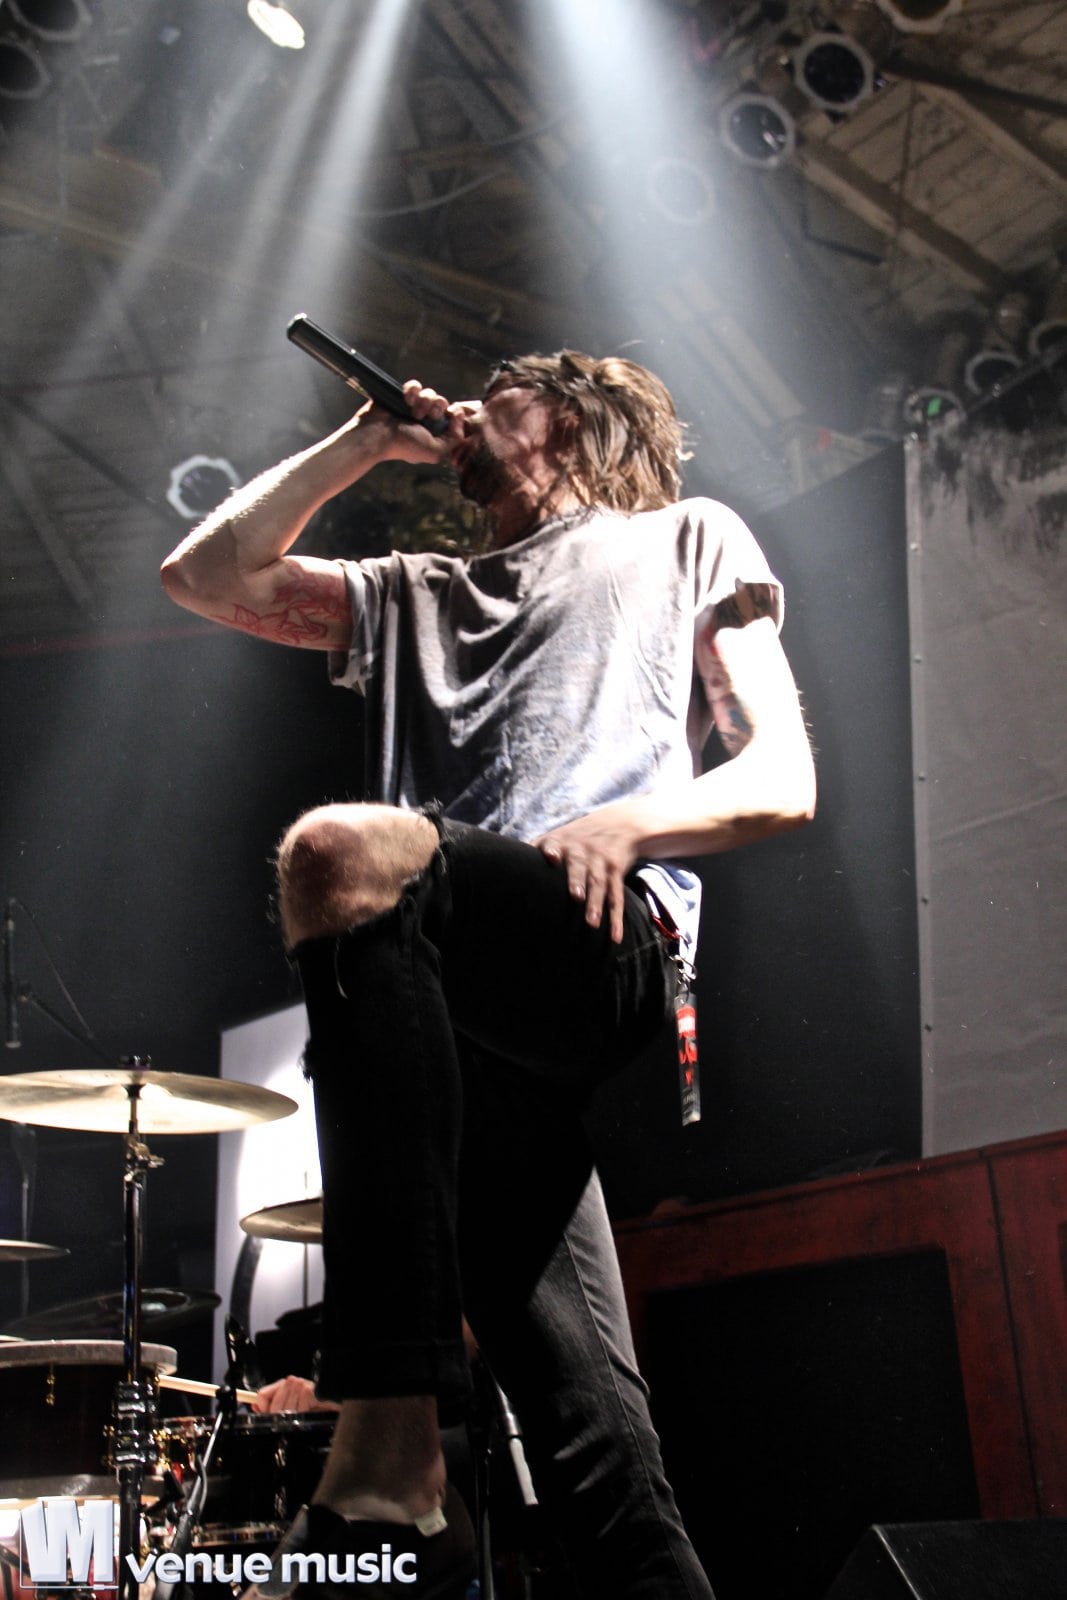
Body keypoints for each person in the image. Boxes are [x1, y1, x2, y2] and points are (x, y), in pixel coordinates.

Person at [161, 350, 815, 1599]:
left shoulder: (683, 537)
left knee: (337, 852)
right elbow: (202, 576)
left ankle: (393, 1442)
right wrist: (362, 441)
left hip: (597, 934)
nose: (463, 400)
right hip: (452, 1023)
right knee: (601, 1460)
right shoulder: (414, 591)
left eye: (498, 384)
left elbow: (781, 777)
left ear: (569, 416)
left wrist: (637, 823)